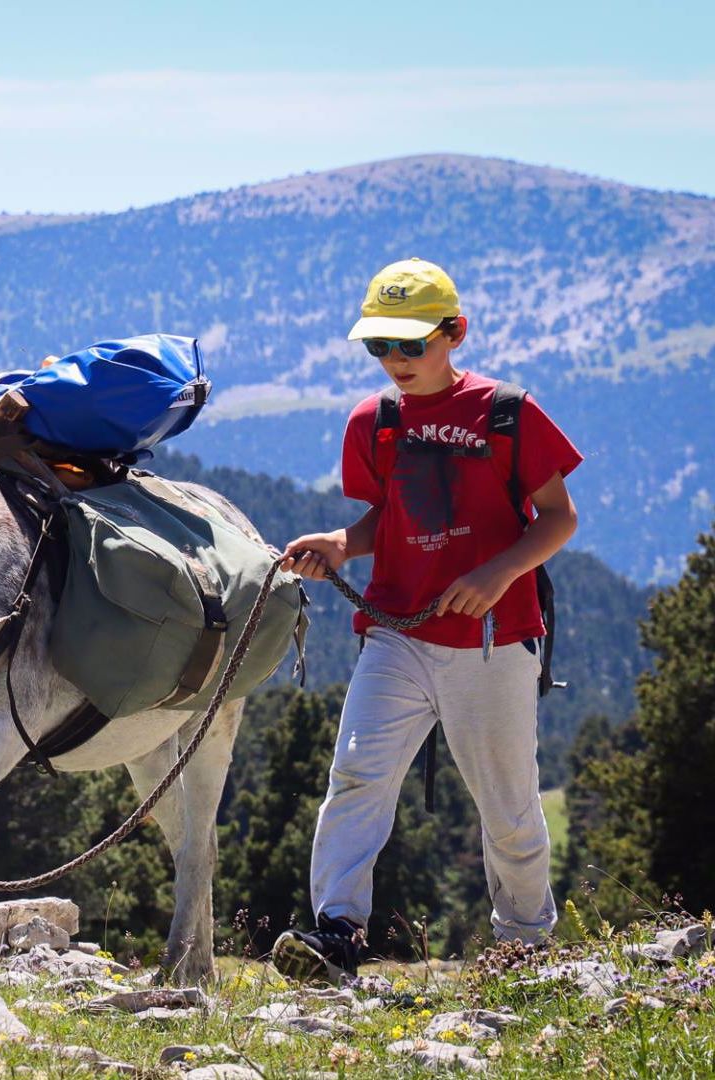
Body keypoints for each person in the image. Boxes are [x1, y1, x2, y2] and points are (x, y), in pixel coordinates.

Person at [271, 257, 582, 982]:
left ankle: (525, 949)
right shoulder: (371, 422)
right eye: (380, 346)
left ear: (455, 333)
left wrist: (498, 572)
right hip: (397, 631)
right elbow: (386, 516)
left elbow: (560, 518)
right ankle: (337, 935)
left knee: (507, 805)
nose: (395, 361)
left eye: (412, 344)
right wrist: (342, 544)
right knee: (356, 775)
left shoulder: (509, 411)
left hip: (494, 639)